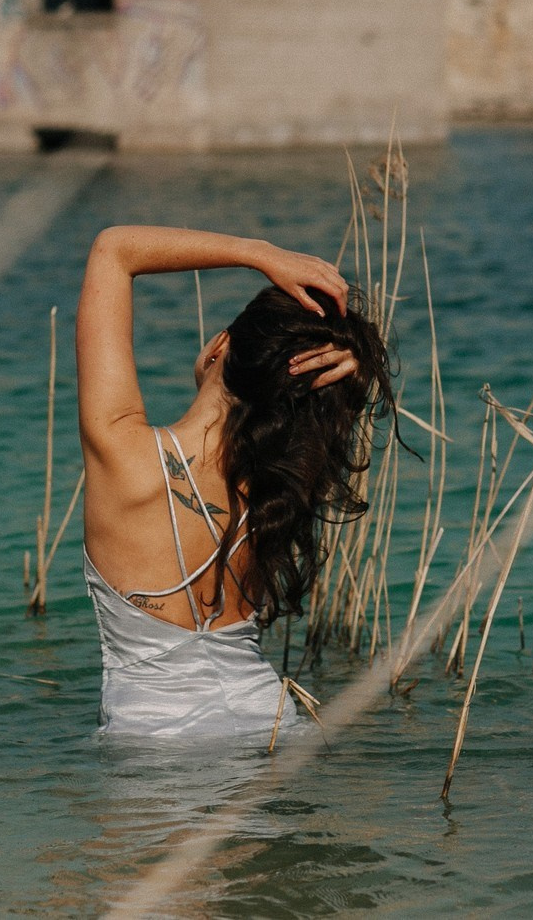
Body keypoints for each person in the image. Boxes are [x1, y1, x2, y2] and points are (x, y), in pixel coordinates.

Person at [76, 225, 396, 738]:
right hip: (268, 722)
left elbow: (113, 249)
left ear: (221, 345)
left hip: (156, 743)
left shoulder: (123, 454)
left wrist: (260, 253)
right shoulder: (280, 489)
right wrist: (353, 367)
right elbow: (317, 414)